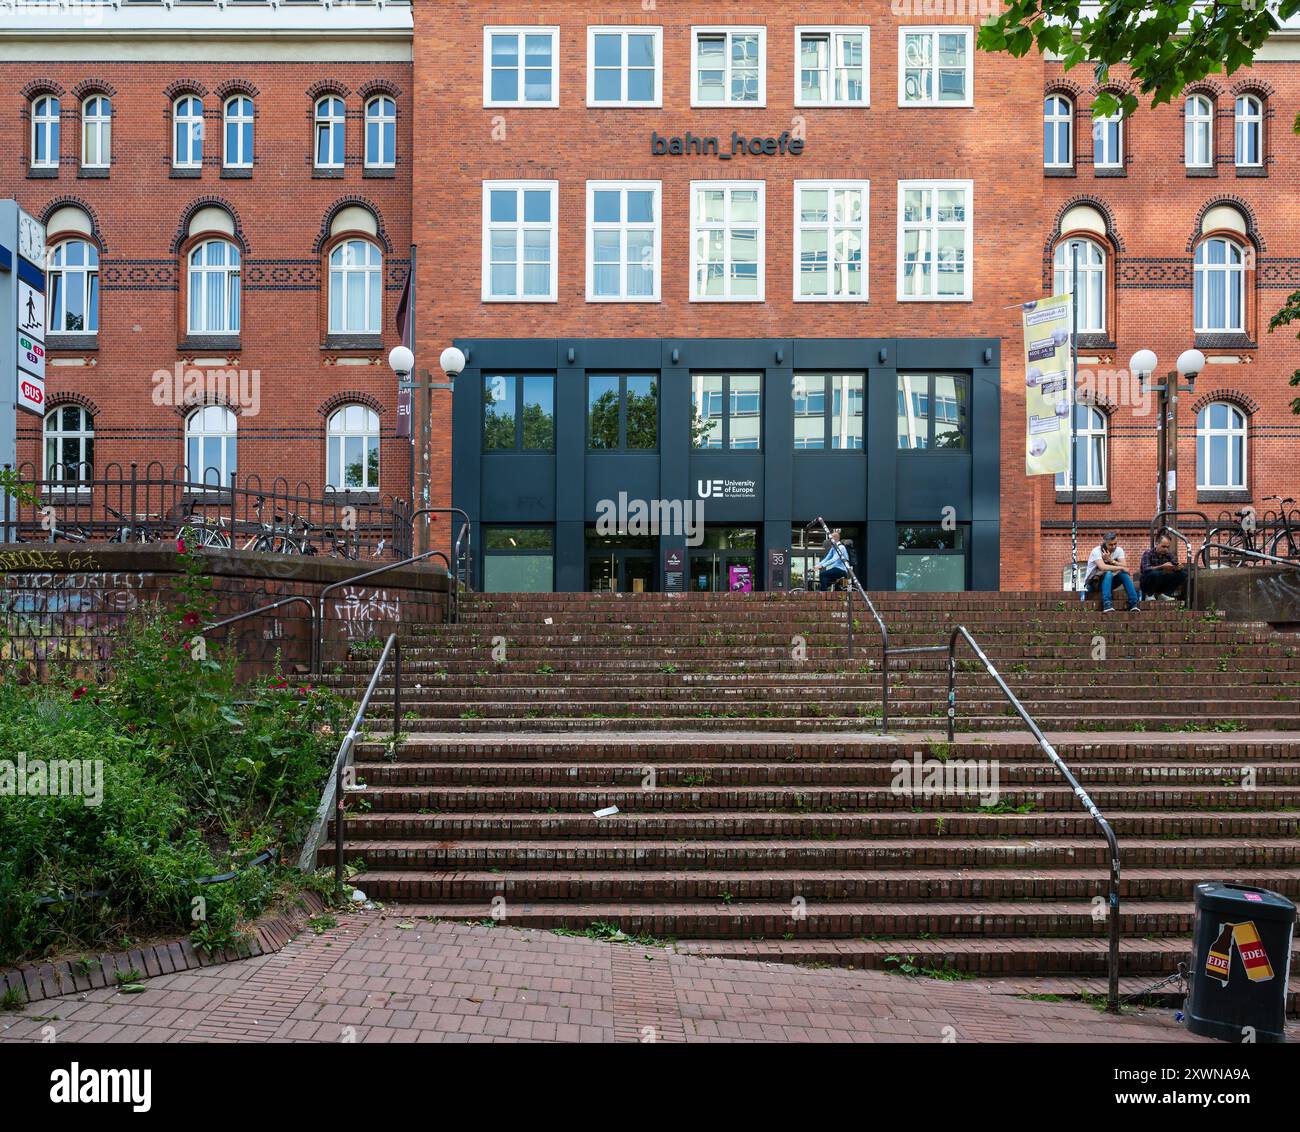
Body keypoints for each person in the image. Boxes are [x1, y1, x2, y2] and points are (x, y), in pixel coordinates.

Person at [1083, 531, 1141, 613]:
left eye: (1115, 544)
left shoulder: (1119, 550)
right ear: (1105, 543)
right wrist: (1120, 567)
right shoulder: (1096, 551)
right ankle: (1107, 604)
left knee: (1123, 574)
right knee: (1108, 572)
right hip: (1093, 583)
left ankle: (1134, 603)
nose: (1113, 546)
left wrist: (1111, 560)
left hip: (1108, 583)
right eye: (1111, 544)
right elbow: (1103, 567)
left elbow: (1124, 566)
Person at [1140, 530, 1187, 601]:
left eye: (1167, 547)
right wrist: (1162, 567)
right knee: (1154, 573)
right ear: (1157, 544)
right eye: (1163, 546)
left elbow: (1175, 564)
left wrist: (1178, 567)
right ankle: (1149, 595)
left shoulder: (1168, 555)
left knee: (1182, 574)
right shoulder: (1148, 553)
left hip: (1161, 581)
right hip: (1147, 583)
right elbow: (1145, 569)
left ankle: (1164, 594)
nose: (1166, 549)